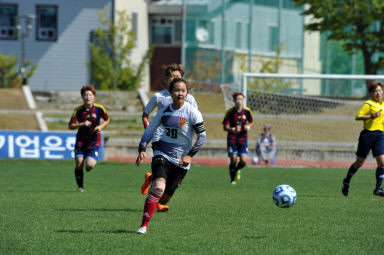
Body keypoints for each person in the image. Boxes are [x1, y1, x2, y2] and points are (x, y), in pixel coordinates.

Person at [135, 78, 206, 234]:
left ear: (187, 93)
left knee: (164, 198)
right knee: (159, 187)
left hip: (182, 161)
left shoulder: (192, 112)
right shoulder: (164, 111)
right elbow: (149, 131)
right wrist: (142, 148)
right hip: (162, 152)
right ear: (171, 92)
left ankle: (151, 182)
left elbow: (202, 137)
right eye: (176, 90)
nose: (180, 93)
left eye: (183, 90)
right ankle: (144, 225)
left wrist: (190, 155)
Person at [140, 63, 198, 212]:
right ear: (167, 79)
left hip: (181, 141)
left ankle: (151, 180)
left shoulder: (189, 99)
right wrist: (149, 131)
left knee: (174, 179)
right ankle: (156, 201)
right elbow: (145, 115)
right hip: (160, 138)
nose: (174, 78)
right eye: (171, 76)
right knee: (163, 168)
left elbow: (194, 119)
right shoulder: (159, 97)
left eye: (177, 77)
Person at [342, 81, 384, 197]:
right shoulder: (368, 104)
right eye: (376, 91)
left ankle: (378, 188)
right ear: (371, 93)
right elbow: (358, 116)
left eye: (380, 90)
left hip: (380, 136)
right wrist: (372, 116)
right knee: (360, 162)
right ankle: (347, 181)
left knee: (382, 162)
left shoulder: (383, 105)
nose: (378, 93)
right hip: (367, 136)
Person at [68, 84, 110, 192]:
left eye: (90, 95)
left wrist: (100, 126)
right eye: (85, 95)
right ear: (82, 97)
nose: (88, 97)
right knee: (78, 162)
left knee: (90, 165)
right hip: (81, 141)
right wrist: (81, 124)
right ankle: (80, 187)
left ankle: (88, 166)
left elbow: (107, 119)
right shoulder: (77, 111)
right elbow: (70, 126)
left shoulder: (99, 109)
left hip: (94, 141)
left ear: (93, 96)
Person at [222, 92, 253, 184]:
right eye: (237, 99)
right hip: (232, 138)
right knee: (234, 159)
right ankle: (232, 180)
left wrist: (248, 126)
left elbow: (251, 122)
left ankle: (236, 170)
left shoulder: (247, 111)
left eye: (241, 99)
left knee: (243, 161)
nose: (239, 101)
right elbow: (225, 127)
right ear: (234, 101)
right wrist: (234, 128)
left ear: (243, 100)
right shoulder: (230, 112)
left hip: (243, 138)